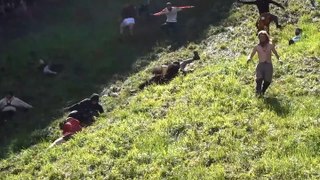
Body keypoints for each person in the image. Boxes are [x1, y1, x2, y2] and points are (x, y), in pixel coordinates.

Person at [247, 31, 282, 96]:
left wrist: (279, 59)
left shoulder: (270, 45)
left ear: (266, 37)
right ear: (259, 38)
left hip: (268, 65)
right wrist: (249, 58)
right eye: (261, 37)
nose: (262, 38)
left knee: (267, 81)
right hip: (260, 65)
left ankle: (263, 91)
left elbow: (276, 54)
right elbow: (251, 54)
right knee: (259, 79)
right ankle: (258, 92)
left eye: (263, 37)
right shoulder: (257, 47)